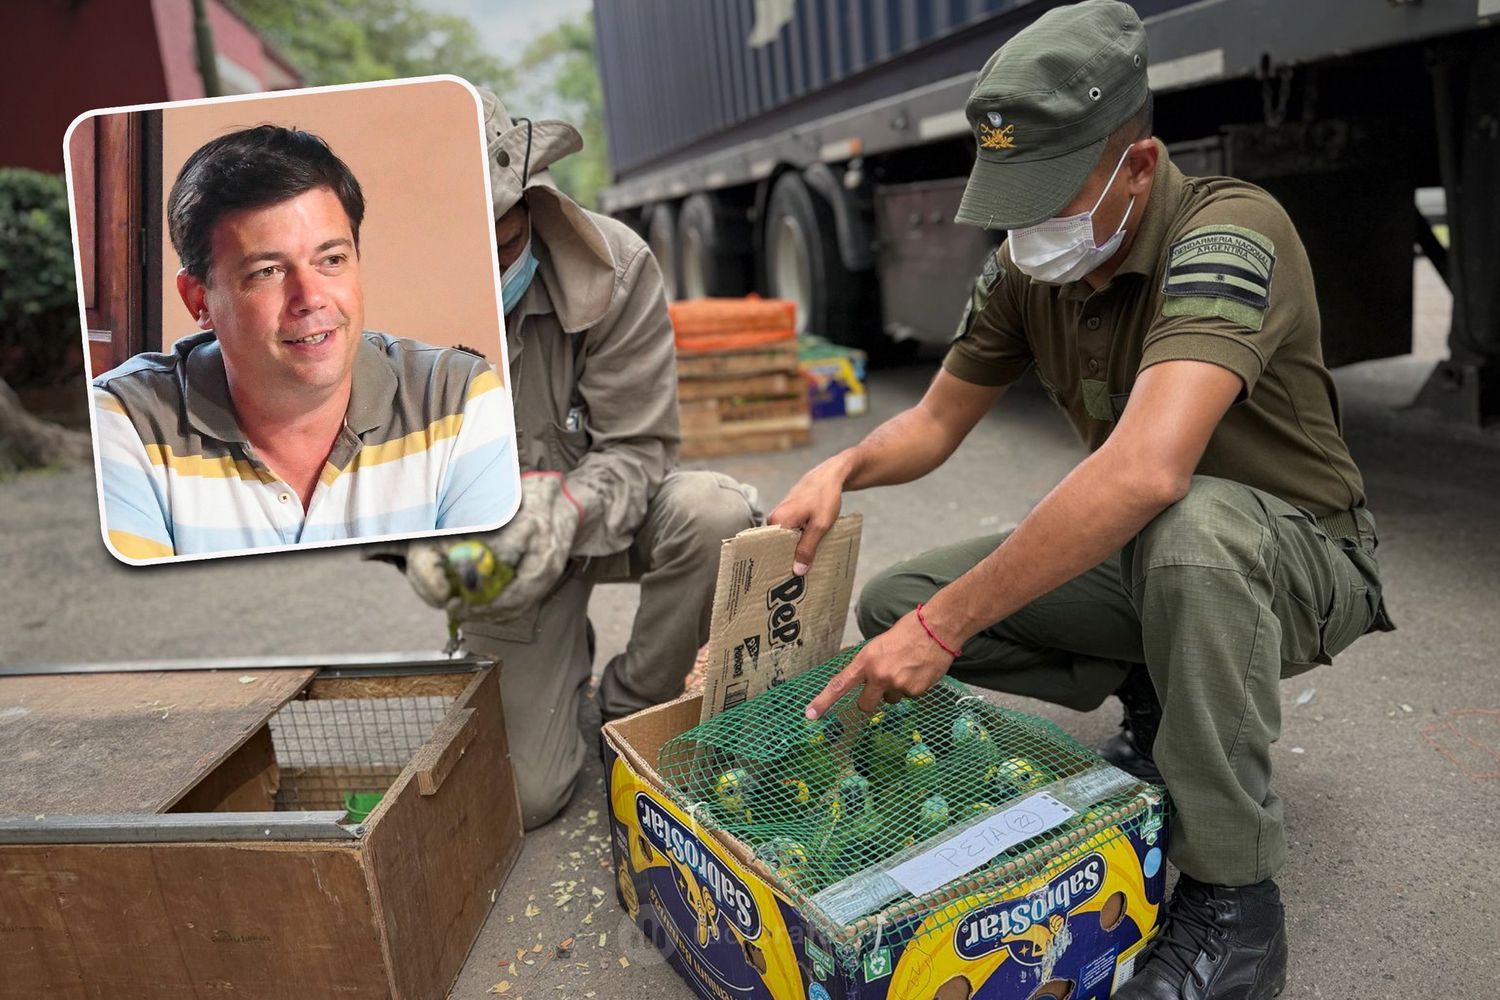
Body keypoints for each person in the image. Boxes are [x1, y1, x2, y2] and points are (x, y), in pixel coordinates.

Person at [768, 3, 1394, 998]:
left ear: (1138, 167)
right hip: (1172, 552)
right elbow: (934, 422)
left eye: (1051, 196)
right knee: (898, 597)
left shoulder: (1230, 230)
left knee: (1180, 534)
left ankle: (1236, 906)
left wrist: (948, 624)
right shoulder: (1032, 268)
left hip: (1301, 559)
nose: (1030, 229)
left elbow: (1148, 470)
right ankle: (1162, 702)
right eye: (1015, 201)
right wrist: (839, 469)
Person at [396, 91, 759, 830]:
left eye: (504, 246)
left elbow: (638, 445)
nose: (494, 272)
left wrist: (566, 507)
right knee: (526, 799)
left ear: (531, 206)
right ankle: (559, 659)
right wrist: (414, 539)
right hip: (504, 557)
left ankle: (632, 705)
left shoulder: (617, 267)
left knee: (714, 510)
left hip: (604, 515)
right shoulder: (385, 311)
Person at [93, 125, 517, 562]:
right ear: (200, 300)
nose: (310, 299)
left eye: (331, 260)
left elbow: (481, 607)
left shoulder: (457, 398)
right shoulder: (124, 421)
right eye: (268, 271)